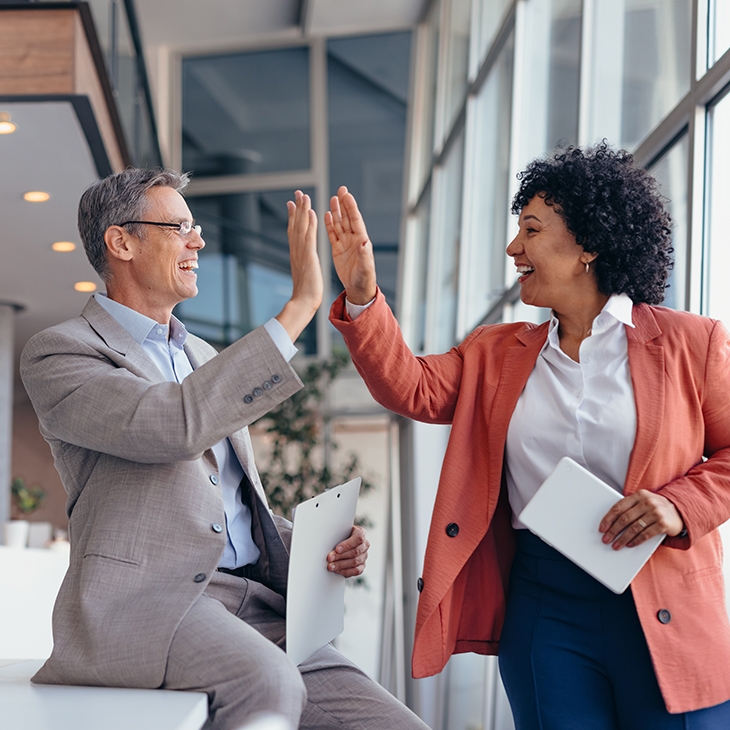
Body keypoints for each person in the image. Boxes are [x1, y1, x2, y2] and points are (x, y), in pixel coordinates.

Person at [325, 143, 730, 729]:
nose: (514, 248)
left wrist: (677, 504)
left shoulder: (693, 343)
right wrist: (364, 296)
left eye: (532, 230)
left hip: (664, 598)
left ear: (589, 244)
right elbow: (409, 387)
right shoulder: (496, 353)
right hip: (546, 607)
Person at [20, 168, 430, 730]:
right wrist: (302, 303)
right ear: (121, 242)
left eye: (196, 226)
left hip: (254, 605)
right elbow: (170, 425)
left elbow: (228, 505)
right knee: (267, 683)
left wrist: (316, 546)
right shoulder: (61, 353)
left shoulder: (204, 357)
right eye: (179, 226)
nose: (199, 241)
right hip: (155, 606)